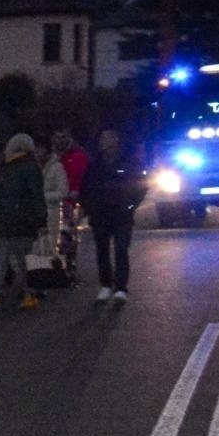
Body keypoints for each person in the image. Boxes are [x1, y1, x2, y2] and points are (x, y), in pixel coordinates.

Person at [0, 134, 48, 311]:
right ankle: (27, 295)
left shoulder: (5, 167)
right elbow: (36, 195)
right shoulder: (31, 167)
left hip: (2, 219)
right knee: (20, 260)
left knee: (1, 258)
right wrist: (41, 220)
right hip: (22, 220)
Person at [79, 129, 148, 305]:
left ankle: (121, 289)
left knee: (121, 249)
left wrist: (131, 206)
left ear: (117, 140)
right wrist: (89, 208)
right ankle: (105, 285)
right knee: (102, 250)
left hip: (122, 214)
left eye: (108, 138)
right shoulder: (95, 164)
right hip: (101, 214)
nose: (104, 141)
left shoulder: (129, 162)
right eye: (102, 138)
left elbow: (140, 186)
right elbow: (86, 188)